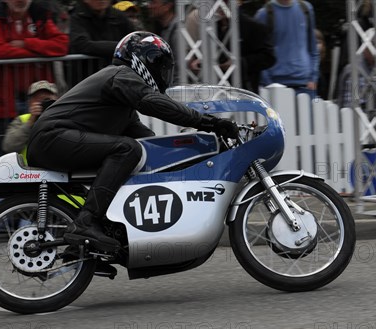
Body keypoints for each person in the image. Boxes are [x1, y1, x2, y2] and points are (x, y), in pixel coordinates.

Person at [26, 31, 239, 252]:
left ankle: (85, 242)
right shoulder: (120, 75)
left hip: (55, 138)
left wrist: (192, 150)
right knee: (127, 149)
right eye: (161, 66)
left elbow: (153, 145)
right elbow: (152, 102)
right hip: (52, 137)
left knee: (136, 152)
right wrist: (207, 122)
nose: (163, 74)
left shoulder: (123, 105)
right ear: (143, 60)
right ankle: (86, 223)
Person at [0, 0, 68, 170]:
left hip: (36, 97)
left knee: (40, 151)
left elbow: (61, 45)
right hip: (3, 100)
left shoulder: (40, 16)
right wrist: (40, 50)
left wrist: (27, 43)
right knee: (0, 156)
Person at [185, 1, 276, 93]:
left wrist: (240, 63)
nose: (220, 5)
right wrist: (201, 61)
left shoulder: (253, 27)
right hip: (218, 92)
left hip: (245, 92)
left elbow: (268, 57)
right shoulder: (212, 29)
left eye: (226, 1)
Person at [254, 0, 320, 98]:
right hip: (276, 84)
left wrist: (313, 78)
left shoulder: (305, 9)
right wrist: (268, 83)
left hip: (305, 84)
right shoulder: (264, 14)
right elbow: (258, 52)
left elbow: (313, 48)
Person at [67, 0, 134, 86]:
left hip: (117, 81)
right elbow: (81, 44)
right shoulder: (77, 16)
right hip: (85, 82)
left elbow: (134, 40)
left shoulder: (119, 17)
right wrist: (120, 46)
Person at [2, 80, 58, 155]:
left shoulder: (66, 117)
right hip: (29, 166)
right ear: (30, 103)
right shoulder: (22, 120)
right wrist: (30, 123)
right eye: (39, 99)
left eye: (47, 99)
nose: (44, 103)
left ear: (57, 100)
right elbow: (8, 147)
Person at [148, 0, 180, 85]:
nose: (149, 6)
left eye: (153, 3)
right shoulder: (163, 29)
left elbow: (179, 68)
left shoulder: (177, 31)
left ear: (167, 7)